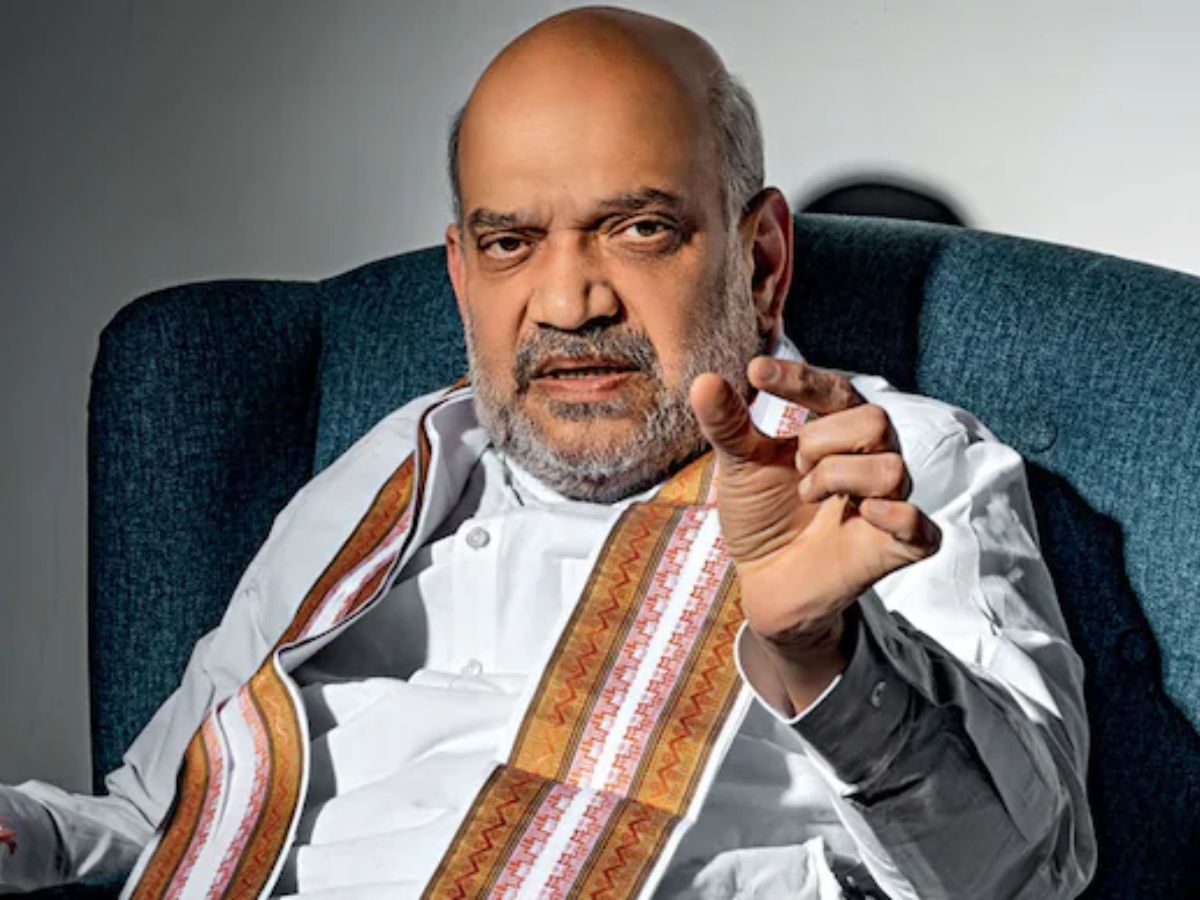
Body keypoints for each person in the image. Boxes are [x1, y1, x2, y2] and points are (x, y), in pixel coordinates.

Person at [0, 7, 1094, 898]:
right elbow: (159, 816)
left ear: (761, 262)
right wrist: (27, 834)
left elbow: (1022, 878)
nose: (568, 302)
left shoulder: (893, 469)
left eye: (639, 228)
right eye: (510, 242)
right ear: (462, 274)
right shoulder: (388, 468)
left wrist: (823, 655)